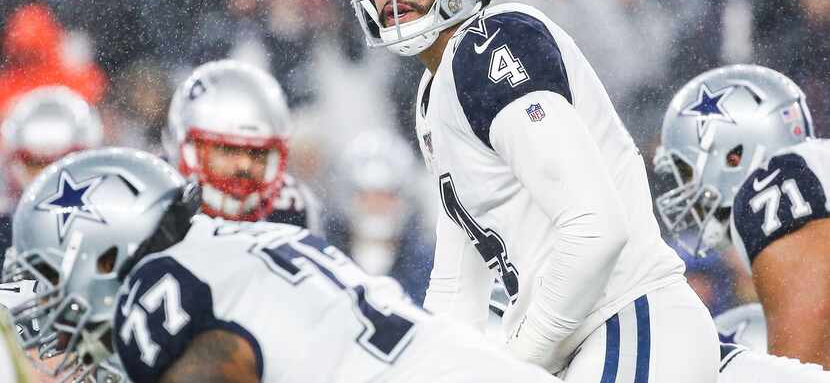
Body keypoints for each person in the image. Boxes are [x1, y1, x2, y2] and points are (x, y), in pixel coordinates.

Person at [341, 0, 719, 381]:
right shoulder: (434, 95)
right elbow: (457, 285)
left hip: (624, 321)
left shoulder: (494, 44)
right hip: (579, 343)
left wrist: (518, 361)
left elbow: (595, 229)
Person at [4, 147, 562, 383]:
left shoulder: (159, 285)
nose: (52, 302)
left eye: (53, 274)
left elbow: (218, 366)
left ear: (107, 252)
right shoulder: (249, 240)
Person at [655, 64, 830, 368]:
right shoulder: (812, 169)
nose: (687, 191)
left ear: (732, 156)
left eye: (687, 172)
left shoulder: (774, 186)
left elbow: (802, 371)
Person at [164, 60, 320, 232]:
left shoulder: (289, 207)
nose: (244, 164)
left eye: (257, 153)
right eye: (228, 150)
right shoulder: (155, 202)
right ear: (188, 149)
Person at [326, 128, 433, 303]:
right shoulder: (327, 257)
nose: (376, 207)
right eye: (367, 197)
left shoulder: (427, 265)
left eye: (386, 196)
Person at [0, 86, 103, 265]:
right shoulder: (4, 233)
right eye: (35, 163)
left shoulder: (114, 226)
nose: (48, 176)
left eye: (62, 162)